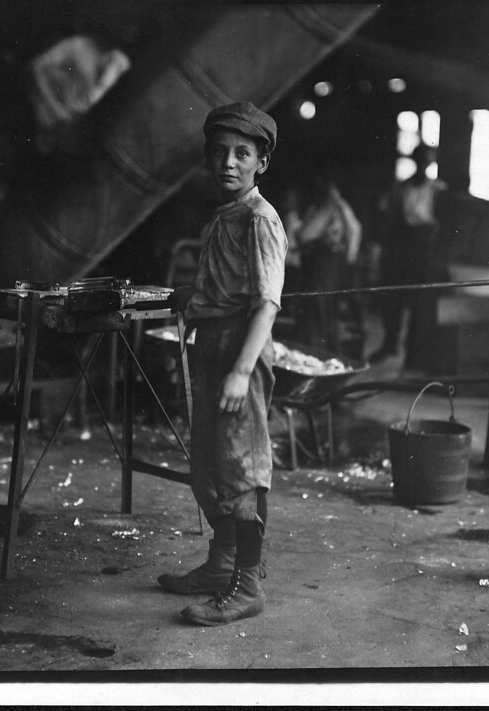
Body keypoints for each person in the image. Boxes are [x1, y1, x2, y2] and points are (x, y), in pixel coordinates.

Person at [159, 102, 287, 626]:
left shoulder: (260, 219)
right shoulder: (224, 216)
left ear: (261, 163)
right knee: (211, 465)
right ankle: (222, 564)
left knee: (242, 468)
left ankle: (248, 584)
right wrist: (184, 294)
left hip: (241, 351)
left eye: (242, 154)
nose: (228, 163)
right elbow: (224, 285)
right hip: (210, 345)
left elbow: (266, 302)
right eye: (219, 153)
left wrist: (240, 369)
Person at [370, 143, 446, 364]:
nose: (423, 165)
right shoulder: (400, 187)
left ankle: (414, 354)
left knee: (418, 302)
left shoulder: (437, 189)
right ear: (414, 161)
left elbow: (441, 225)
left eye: (427, 161)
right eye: (420, 160)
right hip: (401, 244)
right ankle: (390, 344)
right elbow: (385, 216)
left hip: (423, 247)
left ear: (431, 164)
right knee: (393, 297)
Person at [295, 171, 362, 354]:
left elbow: (305, 235)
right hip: (329, 264)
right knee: (323, 312)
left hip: (324, 264)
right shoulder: (336, 204)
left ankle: (316, 353)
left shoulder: (329, 204)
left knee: (318, 311)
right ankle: (321, 352)